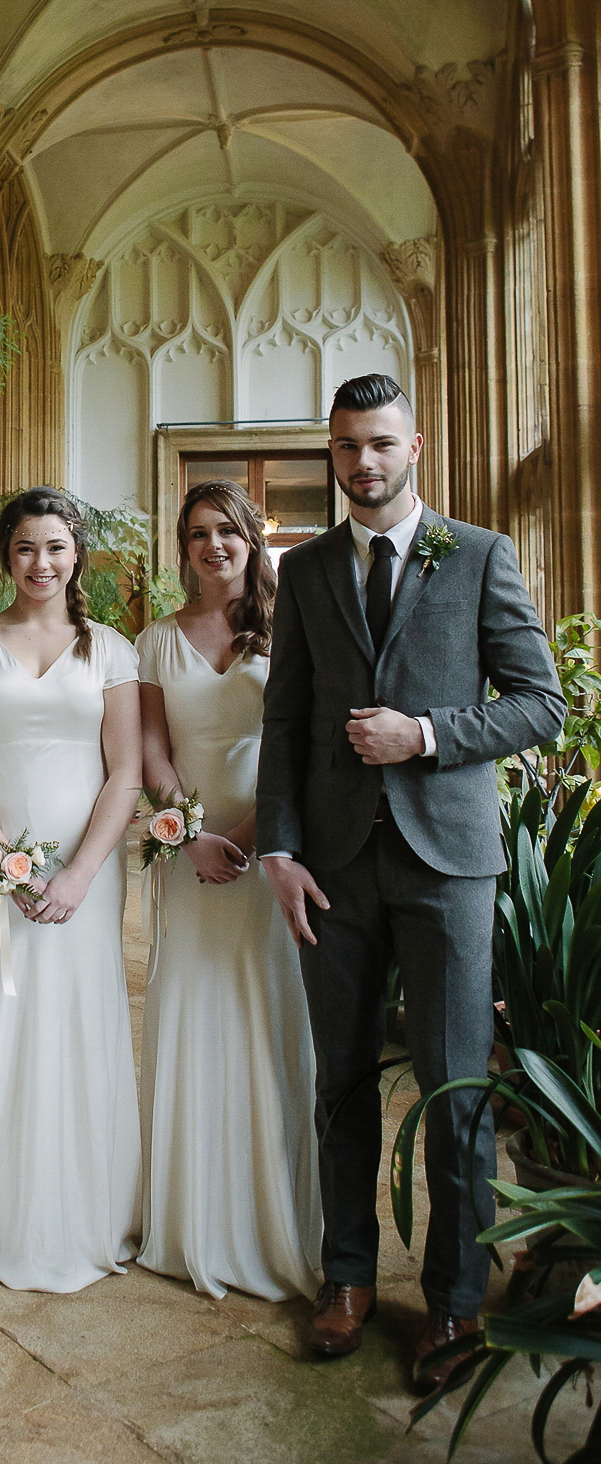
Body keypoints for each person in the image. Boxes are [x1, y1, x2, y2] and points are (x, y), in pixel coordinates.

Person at [257, 373, 565, 1390]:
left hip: (448, 868)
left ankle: (455, 1302)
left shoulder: (479, 555)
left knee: (456, 1093)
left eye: (381, 444)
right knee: (341, 1084)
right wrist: (282, 850)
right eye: (347, 448)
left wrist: (425, 734)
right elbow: (288, 724)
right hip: (334, 869)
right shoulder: (302, 575)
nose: (364, 464)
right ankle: (347, 1280)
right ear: (333, 456)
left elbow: (538, 704)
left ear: (415, 445)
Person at [0, 486, 143, 1292]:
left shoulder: (113, 652)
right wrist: (4, 861)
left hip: (85, 874)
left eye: (55, 547)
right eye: (26, 548)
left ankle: (85, 1209)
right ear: (6, 556)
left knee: (75, 1020)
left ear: (76, 555)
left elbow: (125, 769)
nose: (41, 563)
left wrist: (79, 875)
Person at [137, 480, 321, 1301]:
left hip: (268, 857)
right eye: (199, 533)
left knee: (264, 1017)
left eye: (229, 531)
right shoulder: (153, 641)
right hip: (191, 858)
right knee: (188, 1010)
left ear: (253, 539)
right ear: (184, 549)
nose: (214, 545)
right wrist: (188, 833)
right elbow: (149, 752)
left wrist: (245, 842)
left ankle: (270, 1217)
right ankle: (190, 1220)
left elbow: (306, 750)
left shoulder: (291, 630)